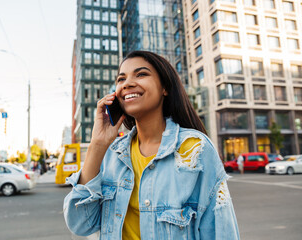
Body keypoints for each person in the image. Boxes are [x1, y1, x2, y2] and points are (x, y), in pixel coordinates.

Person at [63, 51, 240, 239]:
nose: (127, 84)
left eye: (141, 74)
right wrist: (98, 144)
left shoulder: (195, 148)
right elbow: (80, 224)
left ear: (165, 87)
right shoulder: (112, 154)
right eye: (121, 79)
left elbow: (221, 231)